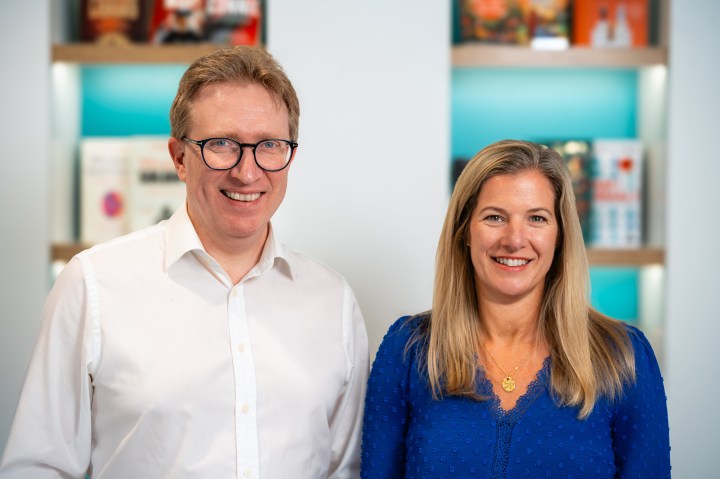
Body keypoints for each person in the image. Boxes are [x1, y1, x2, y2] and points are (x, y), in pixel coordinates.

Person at [0, 46, 369, 478]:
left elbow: (348, 469)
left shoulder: (332, 300)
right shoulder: (93, 285)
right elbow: (38, 466)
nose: (247, 172)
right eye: (222, 145)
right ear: (179, 158)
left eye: (269, 145)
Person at [361, 139, 670, 478]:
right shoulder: (408, 350)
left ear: (560, 236)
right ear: (465, 231)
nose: (514, 239)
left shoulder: (623, 356)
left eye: (536, 218)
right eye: (495, 217)